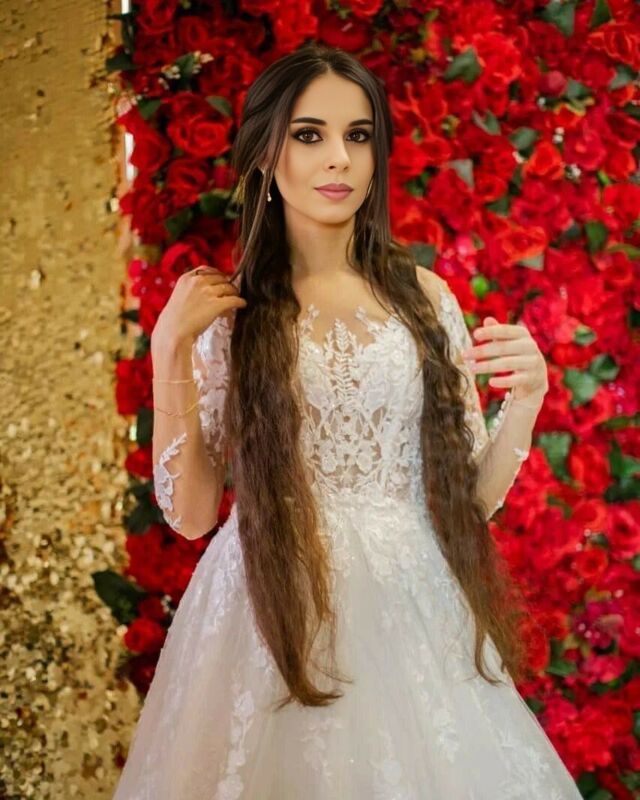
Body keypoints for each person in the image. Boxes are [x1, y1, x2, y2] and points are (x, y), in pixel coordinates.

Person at [113, 43, 581, 800]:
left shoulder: (423, 297)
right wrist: (169, 348)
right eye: (310, 135)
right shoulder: (230, 314)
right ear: (266, 154)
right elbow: (193, 515)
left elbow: (468, 499)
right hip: (266, 611)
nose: (339, 158)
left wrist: (525, 402)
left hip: (410, 606)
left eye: (357, 135)